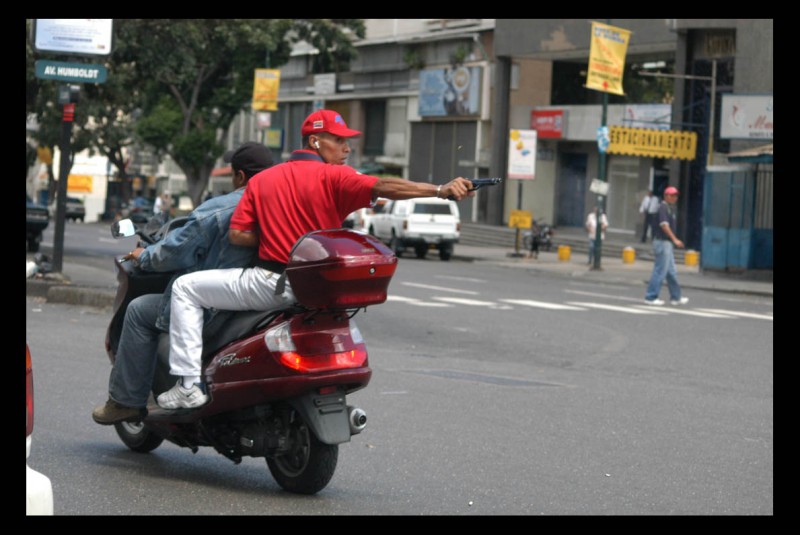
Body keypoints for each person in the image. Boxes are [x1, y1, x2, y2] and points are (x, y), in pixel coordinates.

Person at [156, 109, 476, 410]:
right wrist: (439, 190)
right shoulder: (337, 178)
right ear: (315, 141)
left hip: (270, 284)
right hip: (320, 292)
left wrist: (273, 233)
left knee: (185, 288)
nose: (346, 148)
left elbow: (238, 236)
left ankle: (187, 385)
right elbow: (385, 186)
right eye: (339, 140)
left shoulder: (263, 181)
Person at [91, 142, 274, 424]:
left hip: (220, 304)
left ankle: (126, 400)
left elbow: (175, 251)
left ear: (238, 176)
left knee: (139, 310)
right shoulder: (282, 203)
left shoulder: (220, 209)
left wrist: (144, 256)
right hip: (269, 297)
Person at [644, 186, 689, 306]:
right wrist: (675, 239)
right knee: (660, 270)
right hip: (662, 242)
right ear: (666, 196)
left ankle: (676, 297)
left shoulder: (668, 208)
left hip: (666, 243)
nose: (675, 197)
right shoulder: (663, 207)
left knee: (671, 271)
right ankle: (651, 296)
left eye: (676, 195)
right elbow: (664, 225)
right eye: (672, 195)